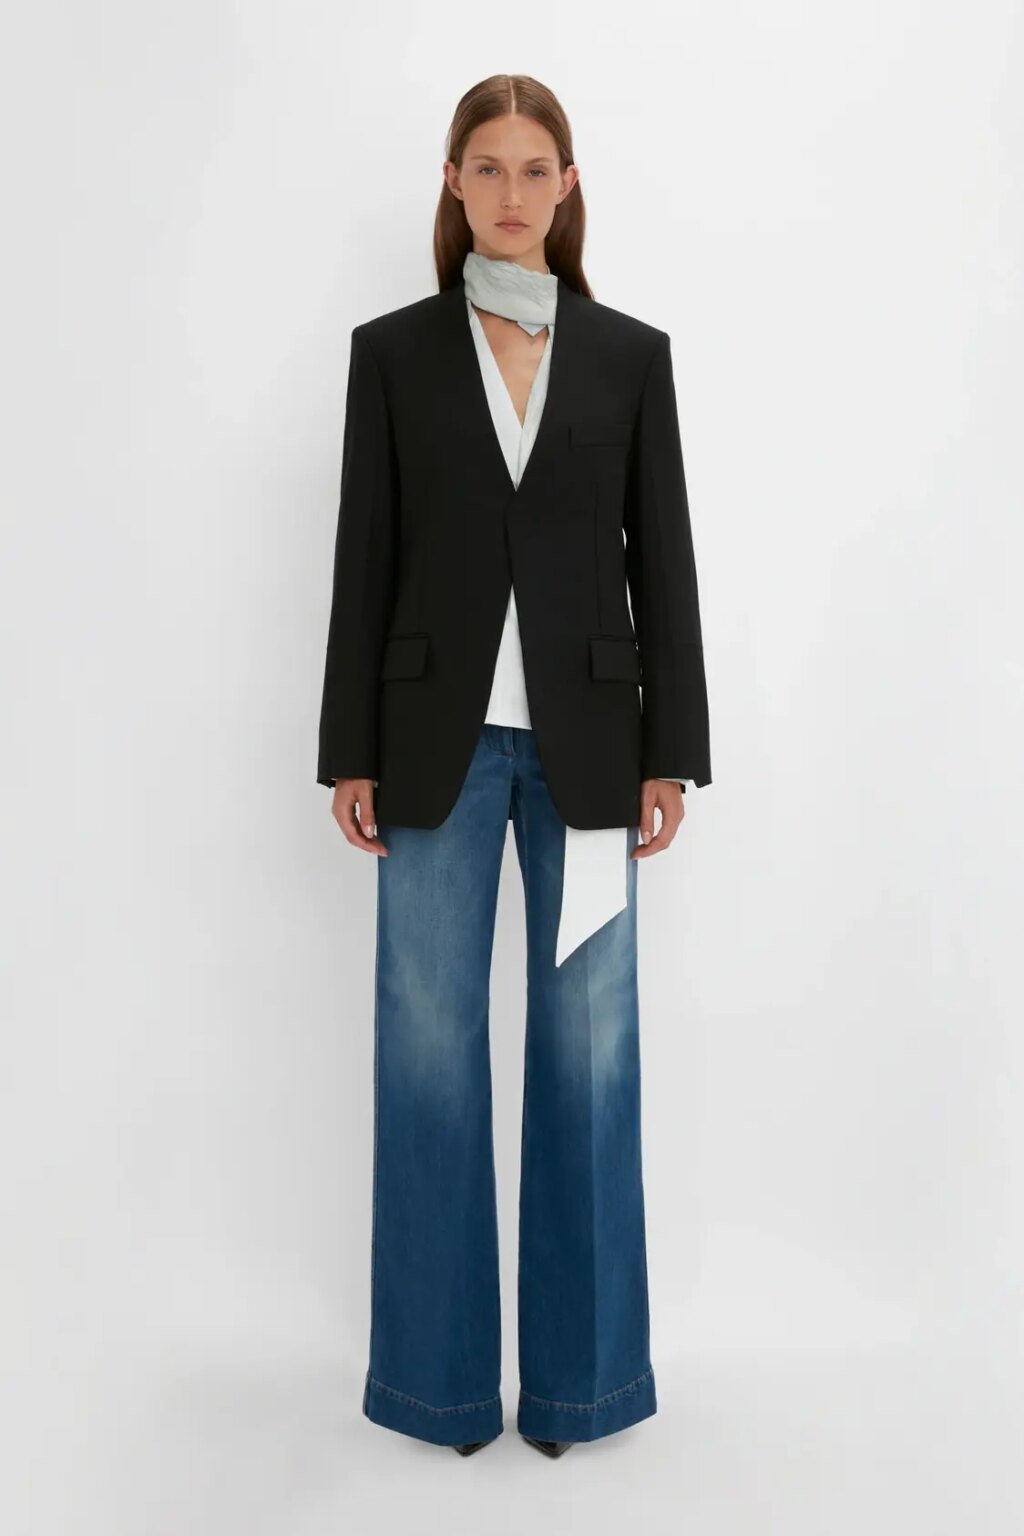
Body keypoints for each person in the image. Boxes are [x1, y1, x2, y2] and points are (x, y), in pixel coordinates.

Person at [316, 73, 711, 1460]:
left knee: (590, 1062)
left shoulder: (629, 357)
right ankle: (434, 1390)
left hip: (594, 760)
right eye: (486, 167)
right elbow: (365, 556)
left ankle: (582, 1390)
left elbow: (663, 559)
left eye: (535, 168)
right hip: (433, 752)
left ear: (567, 185)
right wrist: (348, 749)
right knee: (429, 1059)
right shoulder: (393, 355)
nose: (510, 191)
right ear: (453, 183)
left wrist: (675, 753)